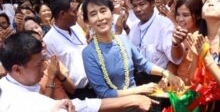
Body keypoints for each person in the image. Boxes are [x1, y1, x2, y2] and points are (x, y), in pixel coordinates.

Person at [0, 32, 160, 112]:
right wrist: (133, 99)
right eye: (39, 64)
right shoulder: (20, 103)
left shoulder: (14, 84)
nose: (45, 68)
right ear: (17, 69)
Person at [82, 0, 184, 98]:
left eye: (103, 11)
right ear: (87, 21)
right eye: (93, 14)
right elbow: (104, 93)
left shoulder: (123, 39)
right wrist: (140, 89)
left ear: (112, 14)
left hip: (138, 103)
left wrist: (165, 72)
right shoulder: (89, 53)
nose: (100, 18)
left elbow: (144, 64)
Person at [178, 0, 220, 111]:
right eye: (207, 2)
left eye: (218, 2)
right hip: (203, 103)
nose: (211, 4)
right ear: (202, 15)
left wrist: (207, 57)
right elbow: (192, 80)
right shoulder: (196, 38)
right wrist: (196, 56)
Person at [43, 0, 93, 100]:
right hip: (78, 93)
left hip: (95, 85)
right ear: (62, 14)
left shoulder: (76, 28)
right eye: (74, 11)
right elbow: (55, 71)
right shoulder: (49, 40)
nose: (77, 15)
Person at [128, 0, 182, 85]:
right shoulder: (134, 28)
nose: (138, 9)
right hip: (140, 80)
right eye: (135, 6)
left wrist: (165, 79)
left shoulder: (164, 24)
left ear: (152, 3)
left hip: (162, 79)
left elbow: (174, 59)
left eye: (142, 4)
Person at [23, 18, 75, 100]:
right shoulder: (28, 73)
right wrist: (51, 77)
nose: (42, 45)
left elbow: (72, 90)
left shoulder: (53, 62)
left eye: (42, 41)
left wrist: (59, 73)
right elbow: (44, 105)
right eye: (37, 43)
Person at [169, 0, 203, 85]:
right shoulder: (177, 33)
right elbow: (175, 60)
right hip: (179, 88)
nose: (180, 19)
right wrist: (175, 44)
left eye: (185, 15)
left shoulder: (201, 37)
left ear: (198, 15)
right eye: (178, 14)